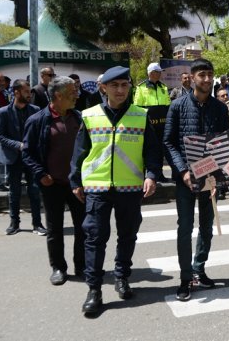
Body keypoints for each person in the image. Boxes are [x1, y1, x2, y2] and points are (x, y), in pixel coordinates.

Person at [70, 66, 161, 315]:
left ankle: (122, 277)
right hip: (97, 188)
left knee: (128, 236)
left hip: (130, 187)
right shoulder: (88, 116)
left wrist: (152, 175)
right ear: (104, 88)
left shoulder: (141, 116)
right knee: (95, 239)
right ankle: (94, 290)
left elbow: (152, 151)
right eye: (115, 85)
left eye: (124, 85)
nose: (120, 90)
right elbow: (79, 153)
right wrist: (75, 181)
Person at [163, 58, 229, 302]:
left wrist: (218, 176)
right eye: (202, 75)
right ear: (191, 78)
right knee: (185, 227)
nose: (208, 79)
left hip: (211, 178)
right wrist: (183, 171)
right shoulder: (177, 106)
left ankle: (199, 269)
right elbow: (168, 142)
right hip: (186, 180)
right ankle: (185, 277)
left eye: (210, 74)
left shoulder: (220, 109)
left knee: (207, 226)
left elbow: (224, 144)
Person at [23, 76, 86, 286]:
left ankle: (82, 266)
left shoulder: (79, 118)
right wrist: (41, 174)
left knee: (83, 227)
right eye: (72, 93)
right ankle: (58, 267)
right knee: (55, 229)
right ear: (58, 96)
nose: (77, 96)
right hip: (52, 185)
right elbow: (28, 153)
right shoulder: (38, 120)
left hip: (77, 185)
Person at [0, 79, 45, 236]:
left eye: (29, 91)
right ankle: (14, 223)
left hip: (32, 158)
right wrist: (18, 145)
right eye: (25, 91)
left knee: (35, 191)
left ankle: (37, 224)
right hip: (13, 158)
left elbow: (40, 132)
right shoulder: (3, 112)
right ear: (16, 92)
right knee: (14, 192)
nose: (29, 94)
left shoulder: (36, 110)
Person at [132, 62, 170, 182]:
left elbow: (168, 105)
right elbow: (137, 107)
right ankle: (145, 175)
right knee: (146, 150)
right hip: (148, 124)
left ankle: (159, 174)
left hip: (162, 124)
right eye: (158, 72)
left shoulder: (163, 87)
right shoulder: (141, 87)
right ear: (151, 73)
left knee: (160, 150)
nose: (160, 74)